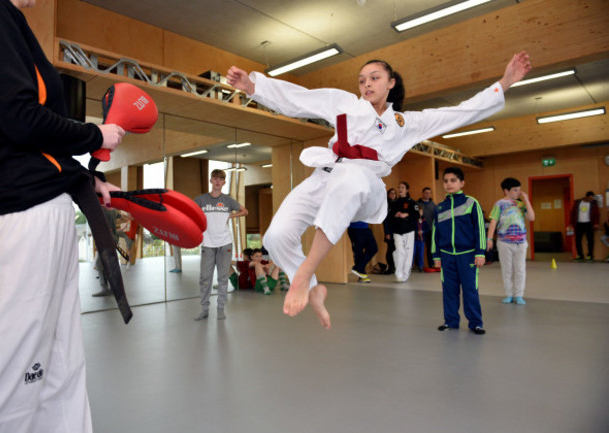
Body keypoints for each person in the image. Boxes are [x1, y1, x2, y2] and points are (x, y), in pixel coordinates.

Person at [226, 51, 531, 329]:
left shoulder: (406, 122)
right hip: (328, 172)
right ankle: (312, 288)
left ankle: (306, 269)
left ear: (391, 83)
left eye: (375, 78)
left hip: (367, 181)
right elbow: (300, 98)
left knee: (352, 181)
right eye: (362, 80)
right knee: (276, 236)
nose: (367, 84)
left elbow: (460, 114)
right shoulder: (344, 104)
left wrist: (504, 83)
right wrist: (254, 87)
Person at [0, 1, 125, 431]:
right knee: (1, 383)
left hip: (41, 212)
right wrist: (96, 135)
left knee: (59, 371)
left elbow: (31, 144)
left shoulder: (8, 18)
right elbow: (22, 120)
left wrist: (83, 180)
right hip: (15, 219)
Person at [432, 167, 486, 335]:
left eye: (453, 180)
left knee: (470, 290)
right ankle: (450, 321)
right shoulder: (440, 207)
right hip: (447, 256)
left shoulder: (471, 203)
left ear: (462, 183)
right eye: (446, 181)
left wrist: (480, 252)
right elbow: (436, 232)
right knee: (449, 290)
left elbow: (480, 229)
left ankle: (476, 323)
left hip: (467, 255)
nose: (449, 184)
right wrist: (436, 255)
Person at [193, 169, 248, 320]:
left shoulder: (228, 200)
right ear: (211, 181)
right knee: (205, 277)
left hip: (225, 243)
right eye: (215, 178)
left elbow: (244, 211)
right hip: (207, 244)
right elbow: (190, 213)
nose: (217, 181)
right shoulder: (201, 199)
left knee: (222, 277)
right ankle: (204, 309)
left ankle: (220, 308)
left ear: (224, 182)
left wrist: (231, 215)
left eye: (220, 179)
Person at [486, 177, 535, 304]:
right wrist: (489, 238)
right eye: (515, 190)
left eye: (519, 190)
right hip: (504, 242)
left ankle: (519, 295)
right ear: (506, 191)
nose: (518, 192)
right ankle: (508, 294)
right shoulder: (499, 204)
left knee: (520, 269)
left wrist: (527, 201)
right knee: (507, 269)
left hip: (521, 243)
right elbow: (493, 222)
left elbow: (531, 217)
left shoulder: (520, 204)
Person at [390, 182, 420, 283]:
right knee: (399, 251)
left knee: (408, 253)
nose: (400, 189)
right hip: (397, 231)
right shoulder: (394, 202)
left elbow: (416, 216)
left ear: (407, 190)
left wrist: (406, 214)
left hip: (409, 231)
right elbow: (389, 217)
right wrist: (396, 215)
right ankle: (398, 274)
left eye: (402, 188)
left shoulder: (412, 202)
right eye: (399, 187)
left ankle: (405, 274)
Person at [570, 191, 599, 262]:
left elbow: (597, 214)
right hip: (579, 223)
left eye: (592, 198)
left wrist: (596, 223)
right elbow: (572, 213)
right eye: (589, 198)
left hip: (589, 224)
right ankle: (580, 255)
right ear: (586, 197)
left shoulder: (593, 204)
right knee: (578, 240)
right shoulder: (578, 203)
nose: (591, 200)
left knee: (590, 240)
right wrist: (571, 223)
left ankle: (590, 256)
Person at [418, 187, 437, 269]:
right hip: (419, 230)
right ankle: (418, 265)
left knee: (430, 248)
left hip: (430, 230)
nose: (428, 194)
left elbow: (436, 218)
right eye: (426, 193)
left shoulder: (433, 205)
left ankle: (431, 264)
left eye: (429, 193)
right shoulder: (417, 204)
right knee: (419, 248)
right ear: (422, 193)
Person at [382, 188, 397, 274]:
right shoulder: (386, 205)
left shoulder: (397, 204)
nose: (392, 195)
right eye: (391, 193)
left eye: (394, 193)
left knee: (396, 249)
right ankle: (390, 266)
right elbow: (385, 220)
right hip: (389, 230)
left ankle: (395, 266)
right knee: (390, 249)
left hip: (397, 230)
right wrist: (387, 232)